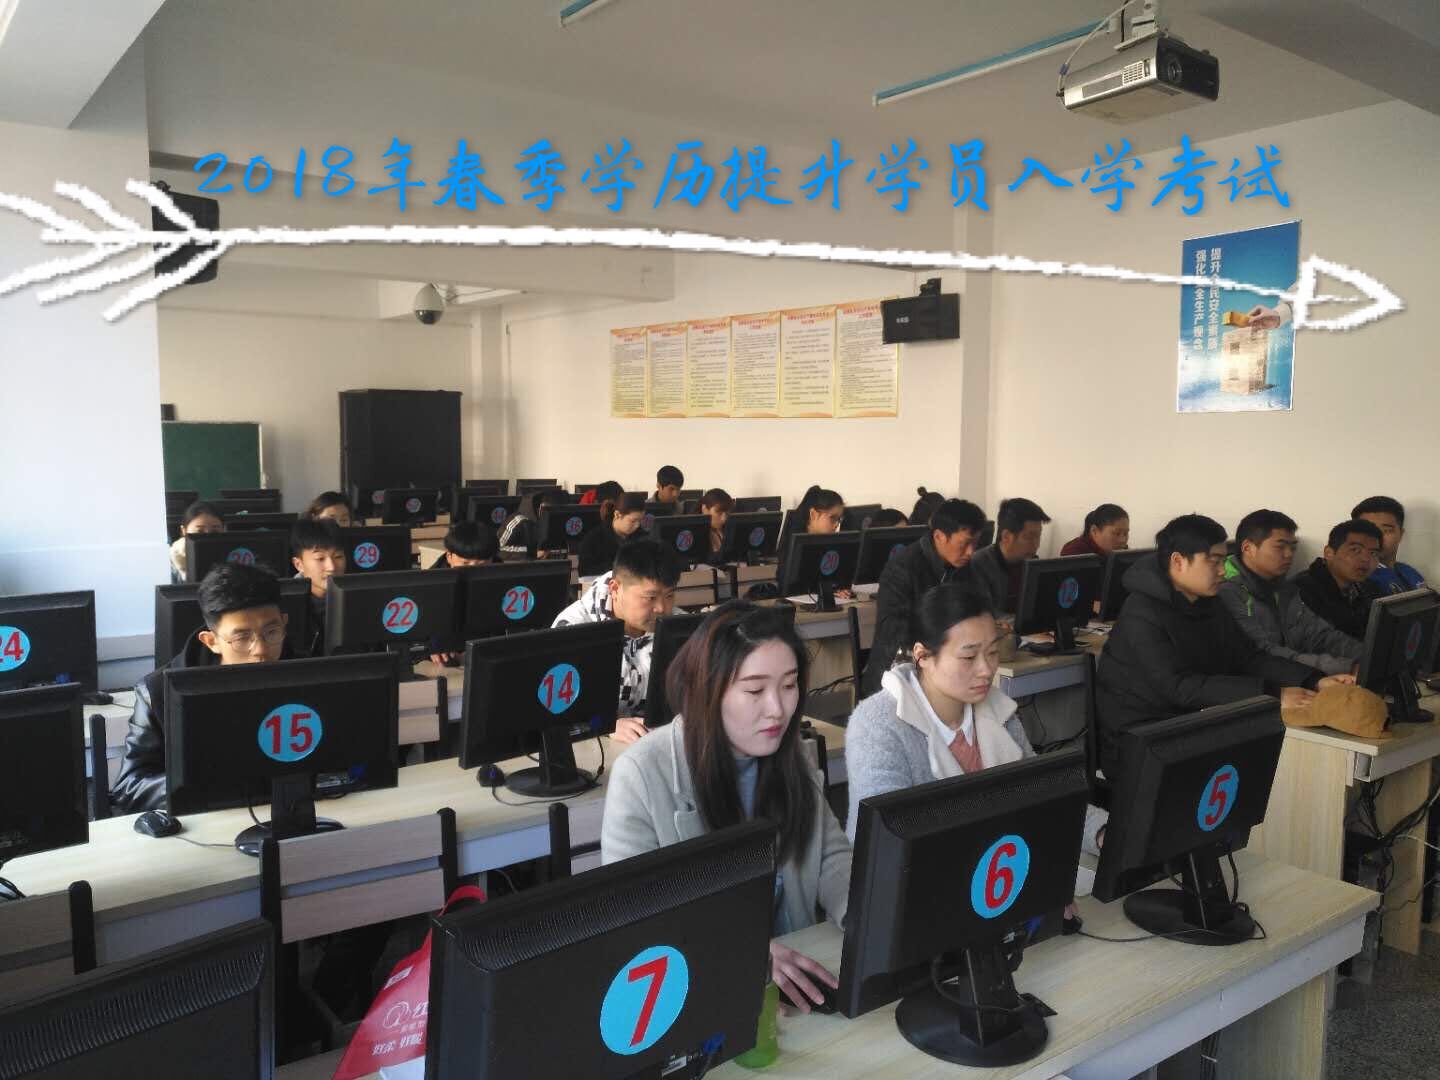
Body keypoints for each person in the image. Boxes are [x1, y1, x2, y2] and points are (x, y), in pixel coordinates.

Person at [601, 602, 851, 1014]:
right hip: (695, 989)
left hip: (794, 978)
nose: (778, 708)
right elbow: (634, 915)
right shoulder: (643, 773)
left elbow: (831, 856)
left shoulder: (793, 756)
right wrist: (745, 949)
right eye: (754, 691)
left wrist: (862, 913)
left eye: (789, 685)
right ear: (708, 691)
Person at [846, 583, 1107, 853]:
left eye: (992, 652)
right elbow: (883, 845)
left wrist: (1100, 833)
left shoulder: (997, 710)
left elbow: (1040, 795)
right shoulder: (877, 726)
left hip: (999, 863)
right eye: (969, 657)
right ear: (922, 656)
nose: (986, 669)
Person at [1096, 514, 1351, 780]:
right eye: (1214, 561)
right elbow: (1180, 687)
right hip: (1141, 741)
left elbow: (1249, 657)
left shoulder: (1209, 602)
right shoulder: (1142, 611)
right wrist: (1274, 694)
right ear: (1178, 561)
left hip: (1193, 721)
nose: (1222, 570)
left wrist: (1313, 680)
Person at [112, 563, 293, 814]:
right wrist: (210, 786)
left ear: (284, 623)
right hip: (209, 820)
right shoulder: (159, 691)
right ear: (211, 641)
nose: (260, 650)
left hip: (294, 814)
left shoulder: (311, 675)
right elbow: (130, 786)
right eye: (242, 638)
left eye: (271, 632)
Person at [553, 539, 680, 744]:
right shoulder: (573, 631)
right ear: (615, 588)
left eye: (670, 595)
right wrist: (605, 724)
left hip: (659, 740)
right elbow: (558, 715)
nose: (662, 608)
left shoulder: (676, 626)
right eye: (650, 597)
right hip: (595, 745)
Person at [861, 498, 987, 697]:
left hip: (948, 668)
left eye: (975, 544)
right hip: (899, 675)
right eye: (964, 544)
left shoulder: (966, 568)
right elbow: (895, 633)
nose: (971, 552)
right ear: (939, 536)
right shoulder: (902, 568)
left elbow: (978, 610)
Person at [1218, 510, 1361, 676]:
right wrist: (1346, 667)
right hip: (1259, 680)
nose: (1289, 554)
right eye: (1280, 547)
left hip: (1293, 675)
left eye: (1293, 547)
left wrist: (1367, 655)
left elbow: (1320, 635)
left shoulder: (1284, 588)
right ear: (1248, 548)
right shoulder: (1226, 589)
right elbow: (1263, 652)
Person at [1293, 519, 1384, 641]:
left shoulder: (1371, 589)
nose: (1366, 559)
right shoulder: (1302, 591)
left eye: (1373, 553)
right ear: (1329, 553)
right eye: (1355, 550)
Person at [971, 497, 1050, 613]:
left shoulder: (1032, 564)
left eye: (1038, 536)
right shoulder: (978, 565)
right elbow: (985, 614)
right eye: (1029, 537)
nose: (1036, 544)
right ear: (1006, 536)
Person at [290, 518, 347, 656]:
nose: (331, 567)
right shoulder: (287, 605)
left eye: (338, 556)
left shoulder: (356, 599)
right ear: (299, 565)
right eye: (320, 558)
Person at [1352, 496, 1427, 595]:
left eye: (1386, 530)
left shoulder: (1411, 573)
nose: (1376, 538)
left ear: (1401, 534)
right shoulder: (1351, 580)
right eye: (1367, 530)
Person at [577, 491, 646, 576]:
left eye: (640, 520)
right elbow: (585, 572)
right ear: (617, 515)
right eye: (633, 521)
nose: (637, 525)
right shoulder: (594, 539)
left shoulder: (642, 537)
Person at [498, 486, 562, 561]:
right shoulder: (517, 521)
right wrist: (532, 552)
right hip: (518, 566)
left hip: (543, 565)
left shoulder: (550, 521)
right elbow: (498, 549)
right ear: (540, 507)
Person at [168, 500, 225, 582]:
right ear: (184, 531)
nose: (207, 537)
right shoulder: (170, 560)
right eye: (200, 532)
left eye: (215, 531)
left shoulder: (231, 555)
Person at [1060, 504, 1130, 558]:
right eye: (1117, 533)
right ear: (1094, 531)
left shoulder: (1123, 552)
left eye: (1125, 533)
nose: (1123, 540)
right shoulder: (1073, 552)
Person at [428, 519, 499, 569]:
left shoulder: (502, 576)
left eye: (481, 565)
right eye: (465, 563)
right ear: (449, 556)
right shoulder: (431, 582)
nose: (472, 571)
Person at [699, 488, 734, 563]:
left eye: (727, 513)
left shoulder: (729, 530)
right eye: (719, 513)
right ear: (704, 509)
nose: (724, 519)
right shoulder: (695, 533)